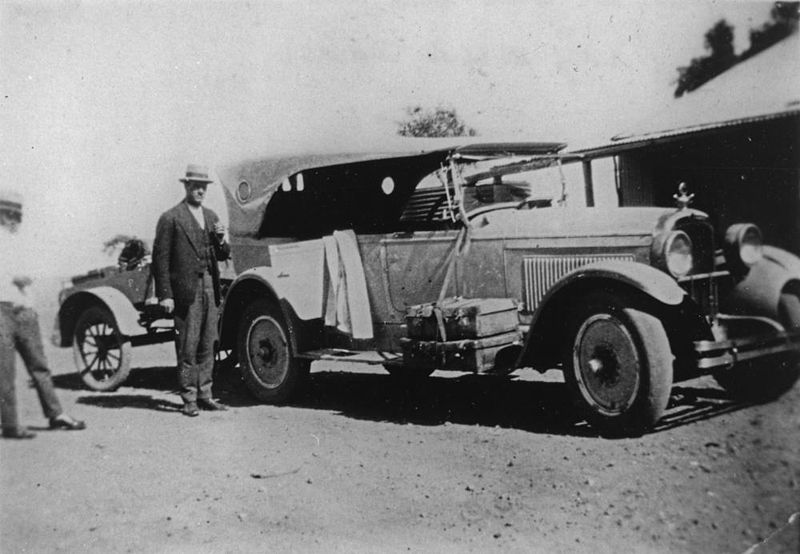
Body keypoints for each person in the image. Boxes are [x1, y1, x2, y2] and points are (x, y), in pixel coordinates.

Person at [0, 189, 86, 439]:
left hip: (25, 311)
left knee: (40, 366)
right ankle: (10, 425)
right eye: (8, 214)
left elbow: (31, 272)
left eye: (17, 215)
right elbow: (17, 275)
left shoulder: (20, 243)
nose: (13, 220)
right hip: (2, 312)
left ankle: (55, 414)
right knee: (4, 372)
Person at [152, 165, 231, 417]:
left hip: (210, 285)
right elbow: (160, 260)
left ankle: (205, 394)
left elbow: (223, 254)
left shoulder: (211, 216)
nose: (200, 190)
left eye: (203, 187)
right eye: (196, 186)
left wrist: (220, 240)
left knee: (209, 343)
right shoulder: (171, 218)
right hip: (186, 290)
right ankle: (188, 398)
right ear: (186, 186)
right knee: (188, 345)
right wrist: (165, 294)